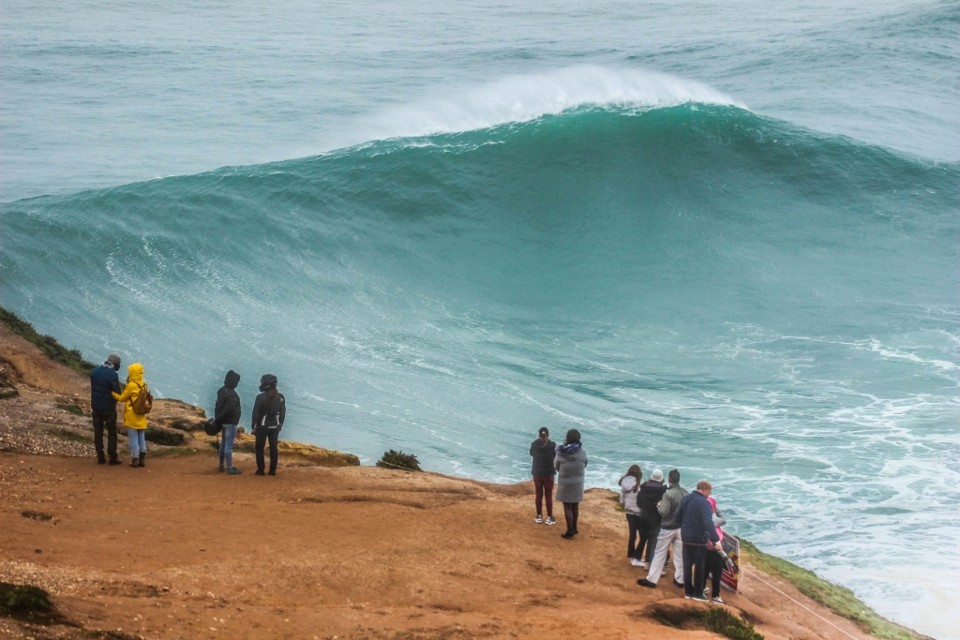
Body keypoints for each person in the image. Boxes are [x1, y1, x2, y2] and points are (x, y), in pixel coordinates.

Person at [638, 468, 688, 589]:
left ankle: (651, 579)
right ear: (678, 479)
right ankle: (680, 580)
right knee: (680, 555)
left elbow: (664, 512)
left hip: (667, 527)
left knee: (660, 553)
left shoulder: (668, 494)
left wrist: (659, 505)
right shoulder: (685, 493)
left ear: (669, 480)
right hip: (680, 528)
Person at [674, 480, 720, 602]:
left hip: (685, 537)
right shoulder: (704, 503)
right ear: (704, 490)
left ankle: (688, 592)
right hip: (699, 539)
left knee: (687, 565)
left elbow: (677, 517)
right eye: (709, 492)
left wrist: (684, 528)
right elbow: (708, 522)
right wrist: (716, 540)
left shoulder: (686, 498)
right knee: (699, 566)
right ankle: (698, 593)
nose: (709, 494)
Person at [113, 362, 150, 468]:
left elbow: (122, 398)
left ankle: (135, 459)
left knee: (133, 439)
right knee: (141, 438)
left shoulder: (131, 385)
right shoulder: (144, 385)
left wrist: (113, 394)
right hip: (141, 415)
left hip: (132, 415)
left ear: (132, 373)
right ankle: (142, 459)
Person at [554, 428, 587, 539]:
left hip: (565, 483)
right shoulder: (582, 452)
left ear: (567, 438)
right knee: (575, 506)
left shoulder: (561, 452)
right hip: (578, 483)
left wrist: (565, 472)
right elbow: (585, 463)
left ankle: (570, 530)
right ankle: (575, 528)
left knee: (567, 507)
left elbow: (556, 466)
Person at [90, 352, 122, 465]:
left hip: (96, 406)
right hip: (108, 407)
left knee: (98, 431)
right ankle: (112, 457)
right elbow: (117, 392)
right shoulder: (113, 375)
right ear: (115, 363)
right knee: (112, 432)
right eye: (119, 363)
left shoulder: (95, 371)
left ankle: (100, 456)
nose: (119, 366)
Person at [251, 374, 285, 476]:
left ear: (266, 385)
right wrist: (280, 425)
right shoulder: (281, 397)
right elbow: (282, 413)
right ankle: (272, 470)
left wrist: (254, 426)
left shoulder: (260, 397)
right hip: (275, 426)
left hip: (263, 426)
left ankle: (261, 470)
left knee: (259, 448)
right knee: (273, 448)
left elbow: (255, 414)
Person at [636, 468, 667, 567]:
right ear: (661, 479)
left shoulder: (643, 488)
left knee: (642, 539)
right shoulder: (662, 491)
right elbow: (663, 506)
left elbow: (639, 503)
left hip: (643, 516)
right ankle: (648, 562)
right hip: (656, 518)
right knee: (653, 540)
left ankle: (636, 558)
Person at [215, 370, 242, 474]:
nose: (237, 384)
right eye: (236, 381)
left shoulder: (221, 391)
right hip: (230, 422)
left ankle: (221, 465)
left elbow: (218, 406)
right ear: (232, 381)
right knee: (228, 446)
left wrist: (218, 419)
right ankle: (230, 468)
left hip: (222, 422)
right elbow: (228, 409)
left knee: (223, 444)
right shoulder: (232, 394)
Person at [529, 427, 557, 525]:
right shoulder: (552, 445)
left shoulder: (534, 444)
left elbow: (531, 453)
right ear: (548, 435)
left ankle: (539, 516)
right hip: (549, 473)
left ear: (539, 435)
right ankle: (549, 517)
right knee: (548, 495)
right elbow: (555, 456)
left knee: (539, 494)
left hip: (537, 473)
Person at [618, 465, 643, 565]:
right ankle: (637, 557)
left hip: (629, 513)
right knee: (643, 535)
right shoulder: (638, 485)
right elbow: (641, 501)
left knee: (632, 535)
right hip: (638, 513)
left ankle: (631, 556)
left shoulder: (624, 484)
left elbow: (621, 501)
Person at [704, 495, 726, 605]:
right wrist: (716, 509)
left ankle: (702, 588)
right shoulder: (714, 520)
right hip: (716, 549)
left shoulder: (700, 518)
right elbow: (723, 519)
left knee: (704, 570)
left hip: (704, 548)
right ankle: (715, 596)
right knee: (717, 573)